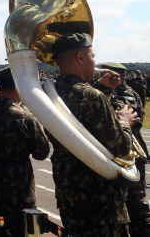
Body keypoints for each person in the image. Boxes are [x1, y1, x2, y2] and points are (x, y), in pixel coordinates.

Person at [50, 34, 136, 237]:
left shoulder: (53, 91)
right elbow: (122, 148)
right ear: (80, 57)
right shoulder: (91, 95)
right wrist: (125, 121)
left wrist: (103, 89)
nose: (95, 62)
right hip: (100, 201)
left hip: (69, 193)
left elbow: (80, 119)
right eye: (93, 56)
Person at [0, 67, 50, 237]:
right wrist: (40, 127)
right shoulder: (25, 116)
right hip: (18, 181)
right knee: (23, 228)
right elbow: (41, 153)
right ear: (17, 86)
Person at [96, 61, 150, 237]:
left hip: (131, 153)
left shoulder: (127, 95)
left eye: (104, 74)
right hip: (118, 150)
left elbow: (117, 113)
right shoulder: (110, 92)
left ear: (115, 76)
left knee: (136, 200)